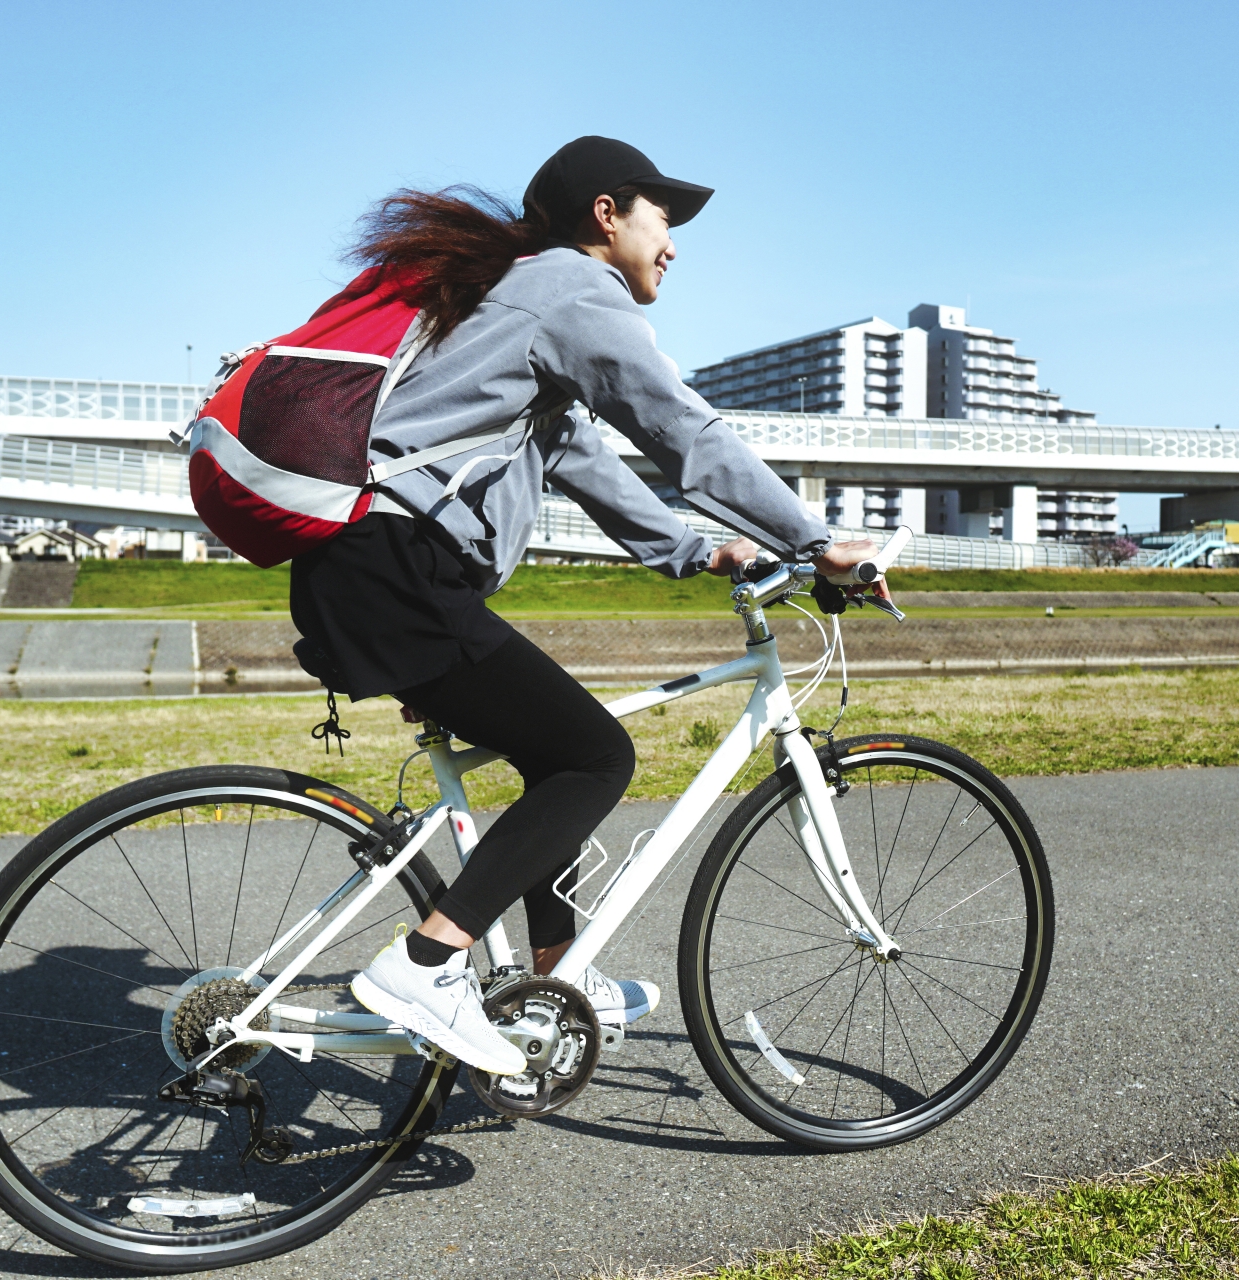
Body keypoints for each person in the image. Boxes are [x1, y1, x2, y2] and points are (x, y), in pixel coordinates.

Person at [292, 136, 887, 1075]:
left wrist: (699, 550)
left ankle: (557, 976)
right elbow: (681, 429)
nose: (674, 244)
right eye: (663, 218)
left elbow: (584, 460)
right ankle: (427, 964)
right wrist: (815, 544)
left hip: (370, 569)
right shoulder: (569, 288)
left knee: (549, 762)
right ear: (606, 213)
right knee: (595, 756)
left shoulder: (515, 297)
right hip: (399, 571)